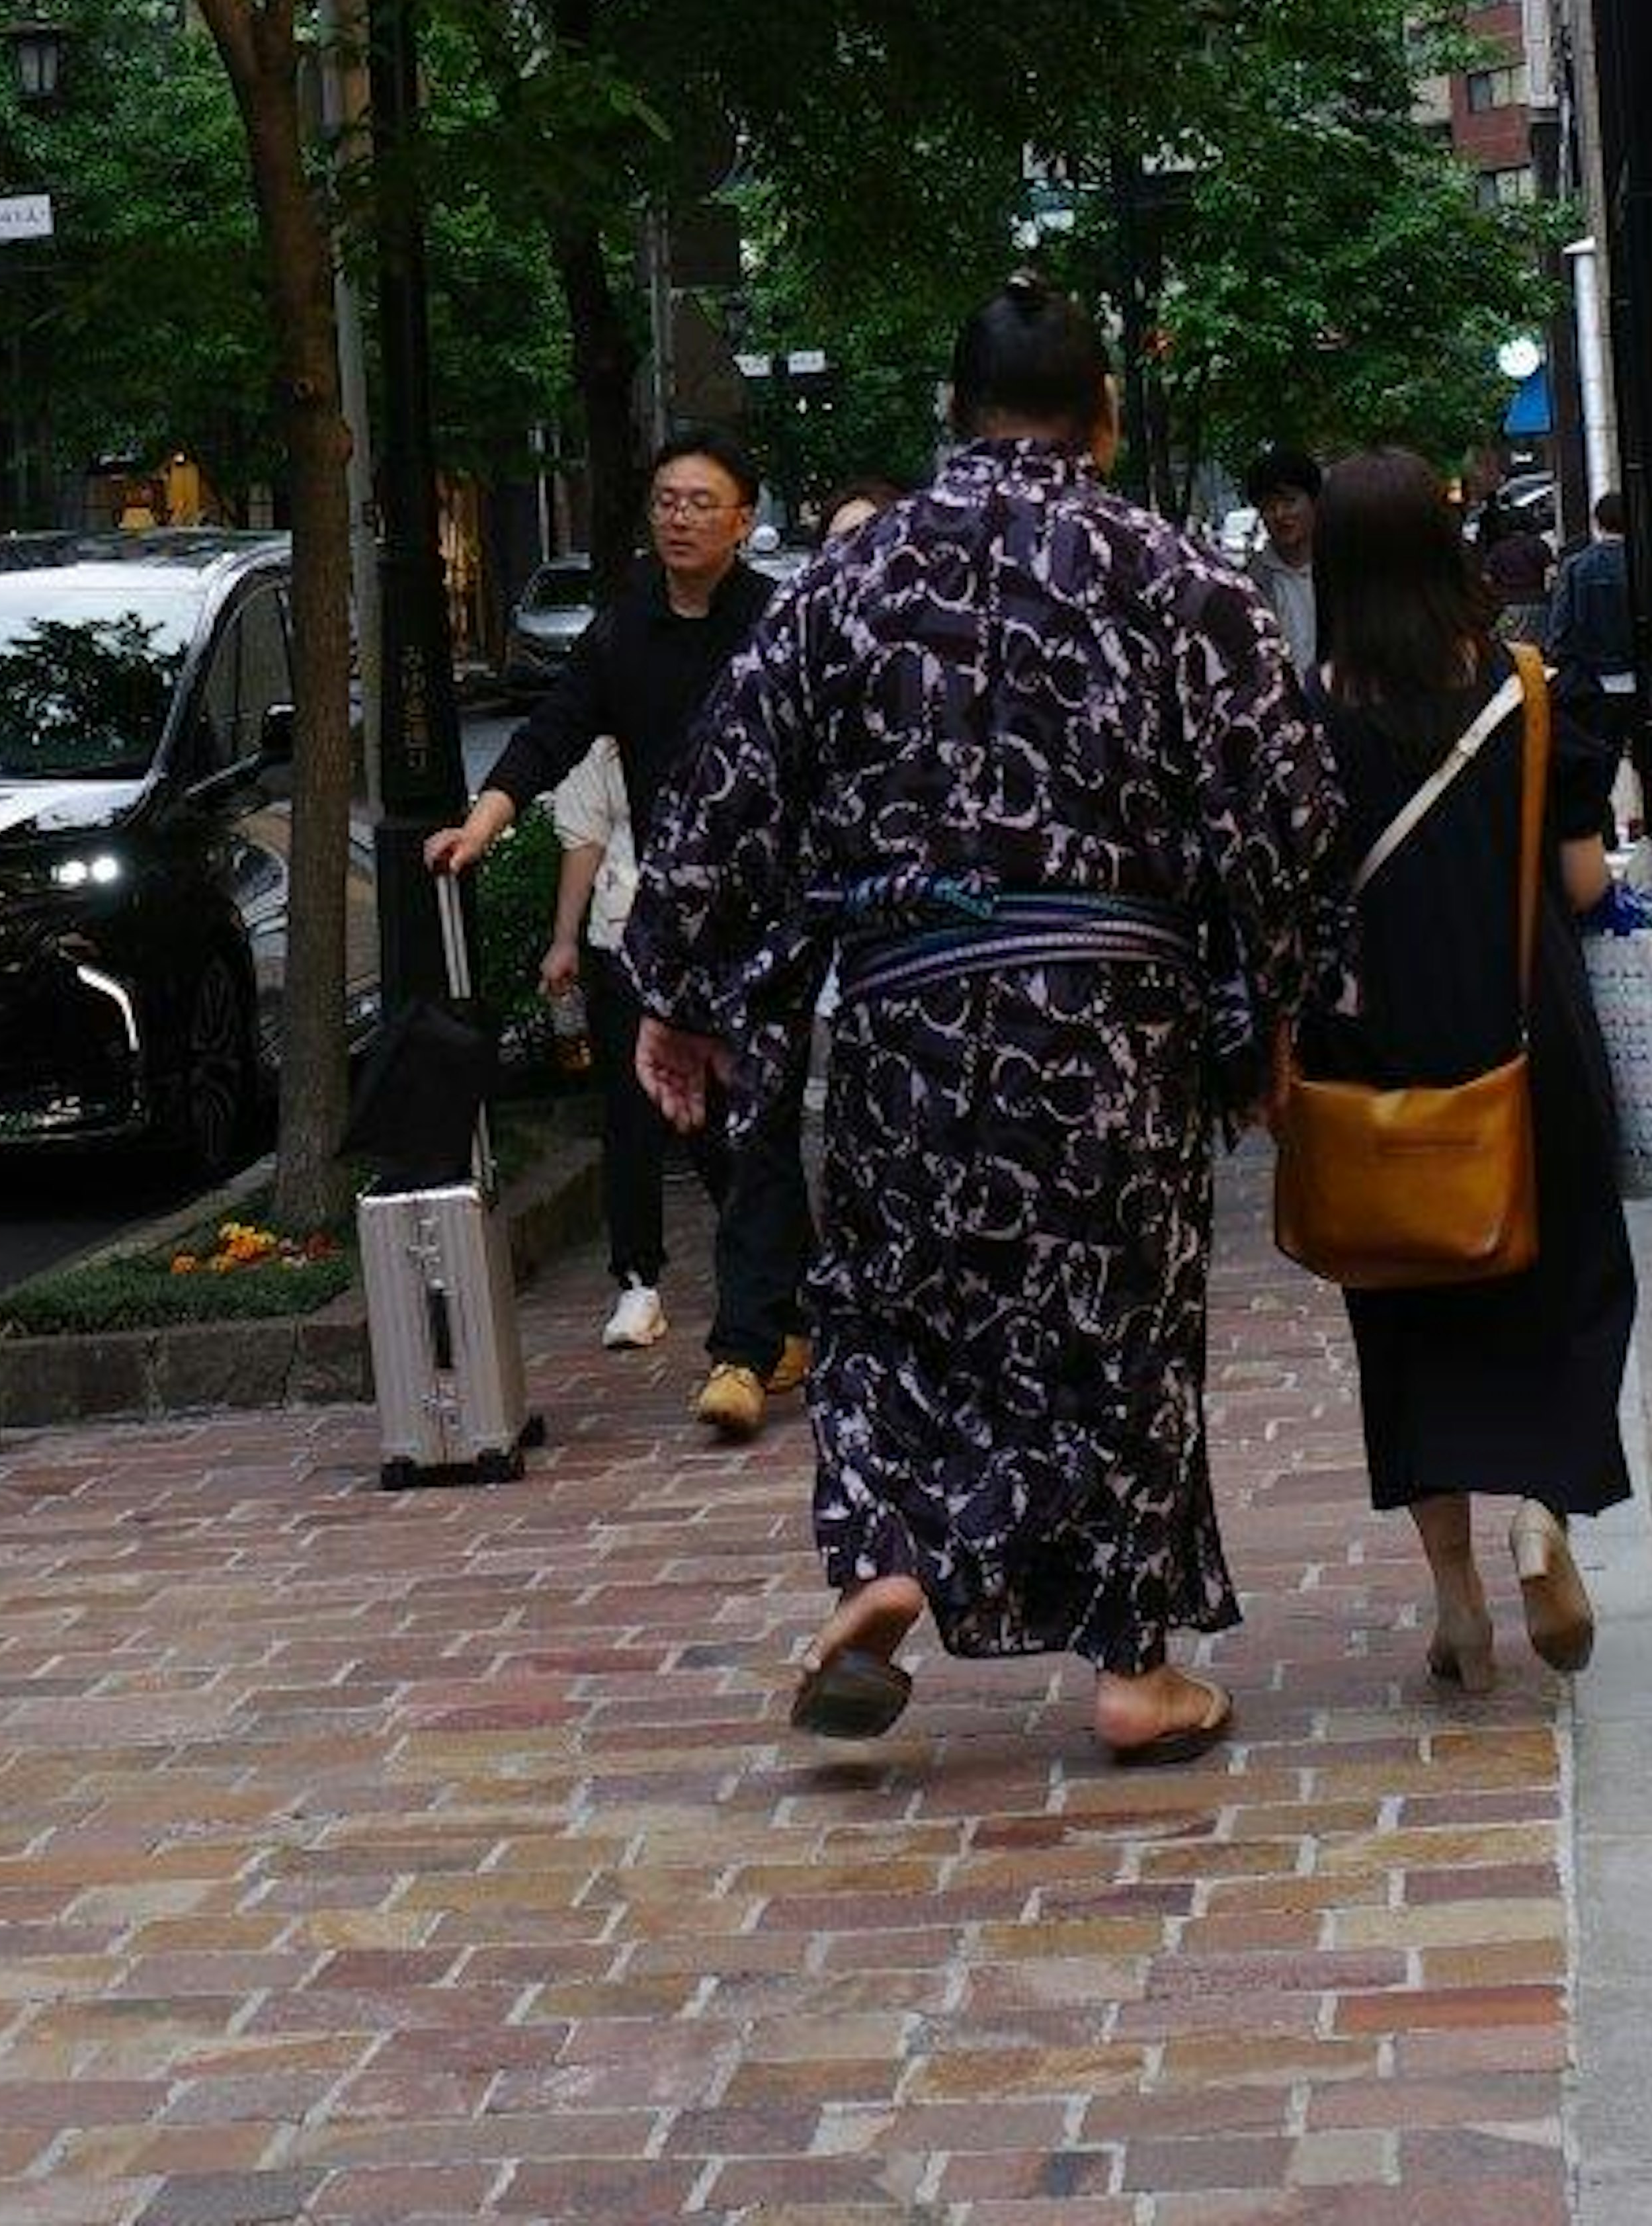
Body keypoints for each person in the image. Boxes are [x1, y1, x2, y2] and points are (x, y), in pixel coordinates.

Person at [626, 281, 1343, 1765]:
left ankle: (892, 1558)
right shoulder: (1172, 578)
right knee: (1120, 1334)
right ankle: (1135, 1666)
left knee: (898, 1319)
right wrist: (1265, 1007)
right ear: (1105, 417)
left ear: (952, 417)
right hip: (1108, 1026)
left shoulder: (848, 582)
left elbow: (721, 793)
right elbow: (1279, 811)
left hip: (906, 1025)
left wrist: (683, 995)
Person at [1307, 448, 1635, 1688]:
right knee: (1567, 1287)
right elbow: (1584, 883)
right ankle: (1545, 1513)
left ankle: (1457, 1608)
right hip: (1530, 1049)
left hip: (1379, 1068)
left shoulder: (1311, 716)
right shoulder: (1530, 693)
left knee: (1407, 1323)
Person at [429, 429, 811, 1436]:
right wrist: (484, 818)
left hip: (770, 917)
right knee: (715, 1131)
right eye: (666, 500)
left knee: (758, 1119)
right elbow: (553, 730)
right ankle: (793, 1306)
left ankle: (741, 1348)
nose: (679, 517)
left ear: (744, 519)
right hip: (671, 917)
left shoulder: (779, 625)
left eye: (701, 501)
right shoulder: (623, 629)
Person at [542, 736, 675, 1348]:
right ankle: (638, 1279)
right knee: (631, 1112)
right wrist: (565, 938)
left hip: (715, 930)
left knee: (732, 1110)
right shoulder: (598, 740)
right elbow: (584, 839)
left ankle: (772, 1277)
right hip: (622, 935)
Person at [1547, 491, 1638, 809]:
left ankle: (1603, 823)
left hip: (1595, 681)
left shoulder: (1577, 567)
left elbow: (1562, 630)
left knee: (1601, 758)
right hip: (1642, 676)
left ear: (1597, 523)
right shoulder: (1646, 560)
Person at [1244, 444, 1324, 667]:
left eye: (1289, 502)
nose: (1280, 515)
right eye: (1268, 506)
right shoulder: (1252, 582)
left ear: (1314, 501)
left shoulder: (1343, 566)